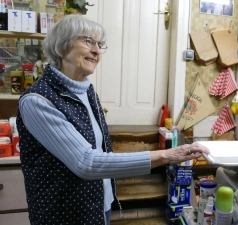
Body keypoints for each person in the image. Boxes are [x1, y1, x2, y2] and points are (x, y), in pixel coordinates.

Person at [16, 14, 210, 225]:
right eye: (88, 41)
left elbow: (99, 149)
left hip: (98, 204)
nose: (97, 51)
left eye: (100, 45)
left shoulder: (85, 88)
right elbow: (86, 162)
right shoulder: (38, 101)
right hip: (64, 214)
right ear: (61, 45)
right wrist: (166, 155)